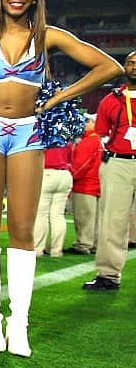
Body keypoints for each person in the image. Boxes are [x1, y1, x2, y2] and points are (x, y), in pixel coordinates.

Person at [0, 0, 122, 355]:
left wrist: (57, 98)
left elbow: (110, 67)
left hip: (27, 133)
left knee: (22, 227)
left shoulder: (47, 35)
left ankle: (18, 323)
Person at [83, 49, 136, 291]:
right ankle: (108, 275)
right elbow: (102, 133)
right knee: (113, 220)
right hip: (119, 162)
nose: (134, 66)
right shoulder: (111, 99)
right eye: (130, 62)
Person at [67, 113, 102, 255]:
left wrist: (71, 178)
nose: (84, 123)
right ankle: (94, 244)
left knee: (84, 218)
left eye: (88, 121)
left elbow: (80, 167)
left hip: (85, 185)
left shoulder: (89, 142)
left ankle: (83, 245)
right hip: (96, 185)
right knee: (94, 219)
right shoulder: (97, 140)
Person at [33, 142, 73, 257]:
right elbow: (71, 159)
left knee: (41, 215)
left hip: (47, 172)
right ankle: (56, 251)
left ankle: (38, 249)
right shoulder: (66, 139)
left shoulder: (43, 136)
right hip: (65, 174)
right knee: (58, 215)